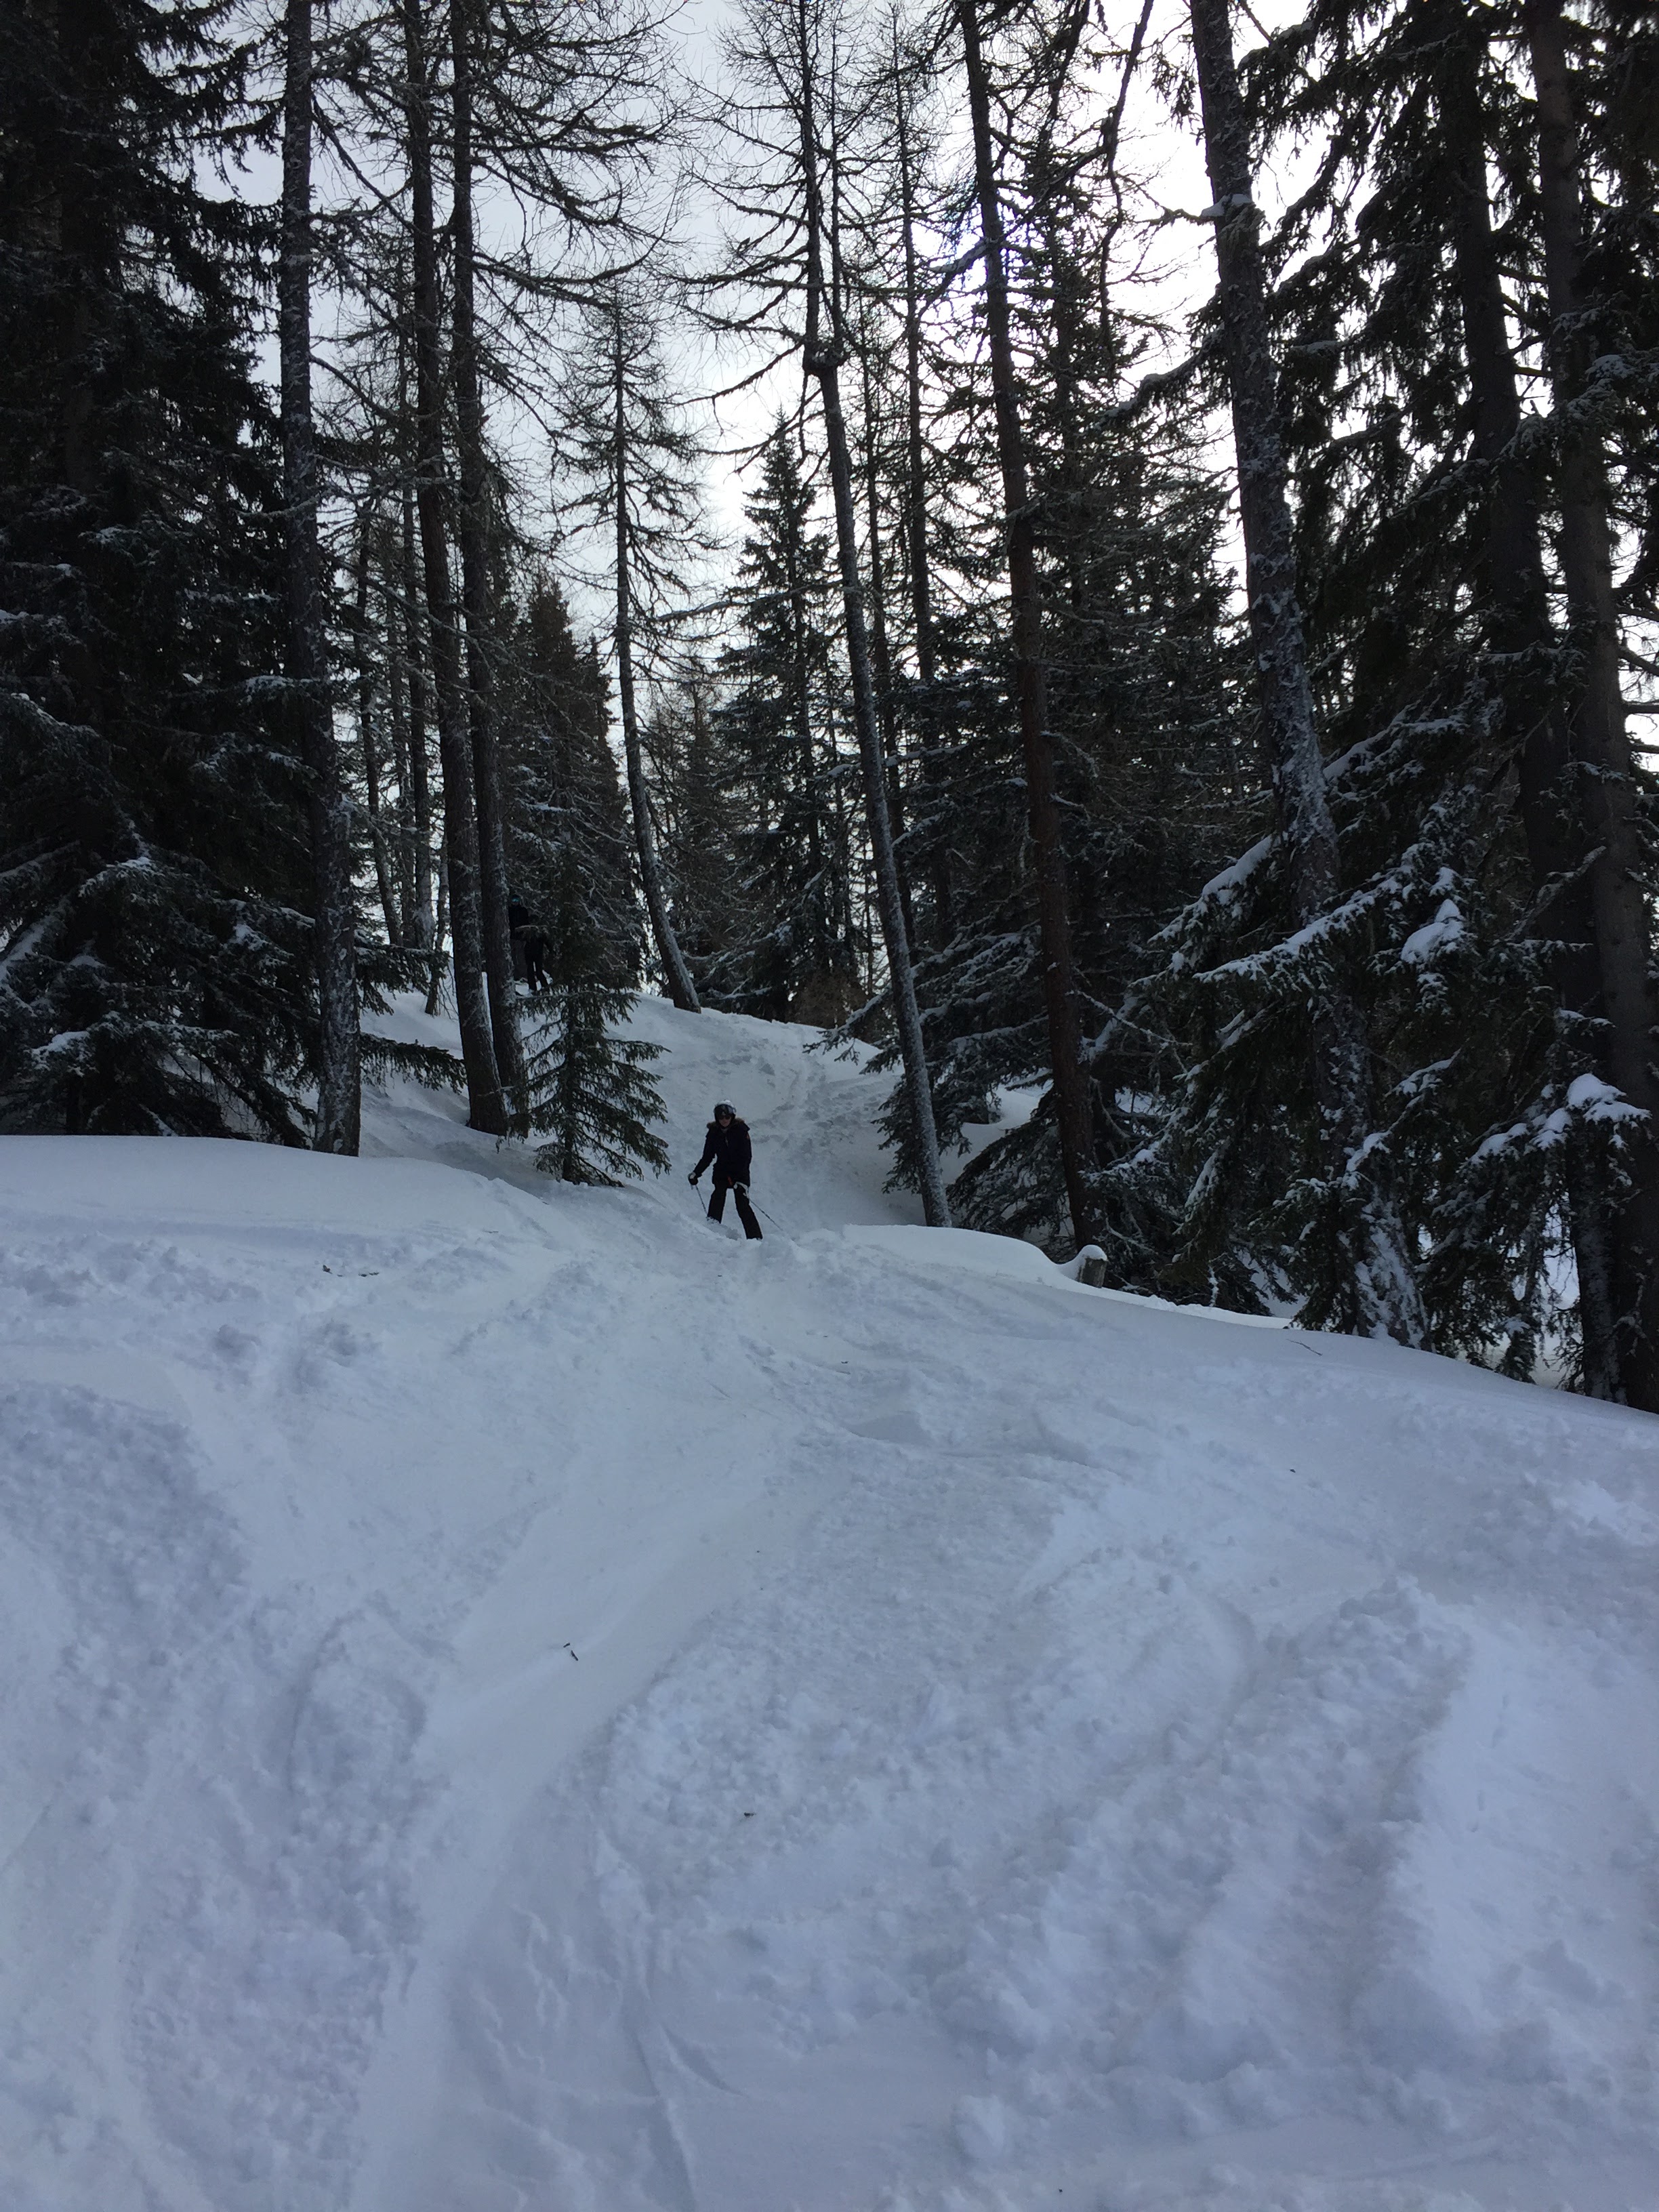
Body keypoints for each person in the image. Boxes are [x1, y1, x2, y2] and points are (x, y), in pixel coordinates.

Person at [689, 1102, 762, 1240]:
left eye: (727, 1117)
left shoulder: (741, 1131)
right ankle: (712, 1231)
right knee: (718, 1196)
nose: (724, 1120)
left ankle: (756, 1239)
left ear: (732, 1116)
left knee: (742, 1205)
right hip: (722, 1171)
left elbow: (746, 1157)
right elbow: (708, 1156)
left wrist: (739, 1180)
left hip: (740, 1172)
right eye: (721, 1117)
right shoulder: (713, 1133)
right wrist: (696, 1173)